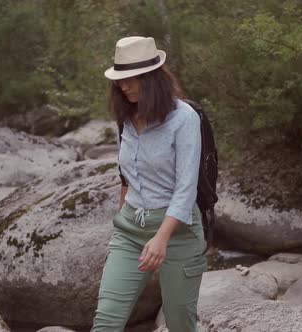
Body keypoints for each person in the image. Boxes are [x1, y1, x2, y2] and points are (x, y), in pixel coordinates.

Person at [91, 36, 207, 332]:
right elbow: (126, 175)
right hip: (130, 232)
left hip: (177, 232)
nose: (124, 86)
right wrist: (121, 218)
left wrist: (161, 237)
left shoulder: (185, 119)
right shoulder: (125, 118)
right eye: (120, 81)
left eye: (131, 79)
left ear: (152, 78)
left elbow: (186, 189)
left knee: (180, 323)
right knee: (106, 321)